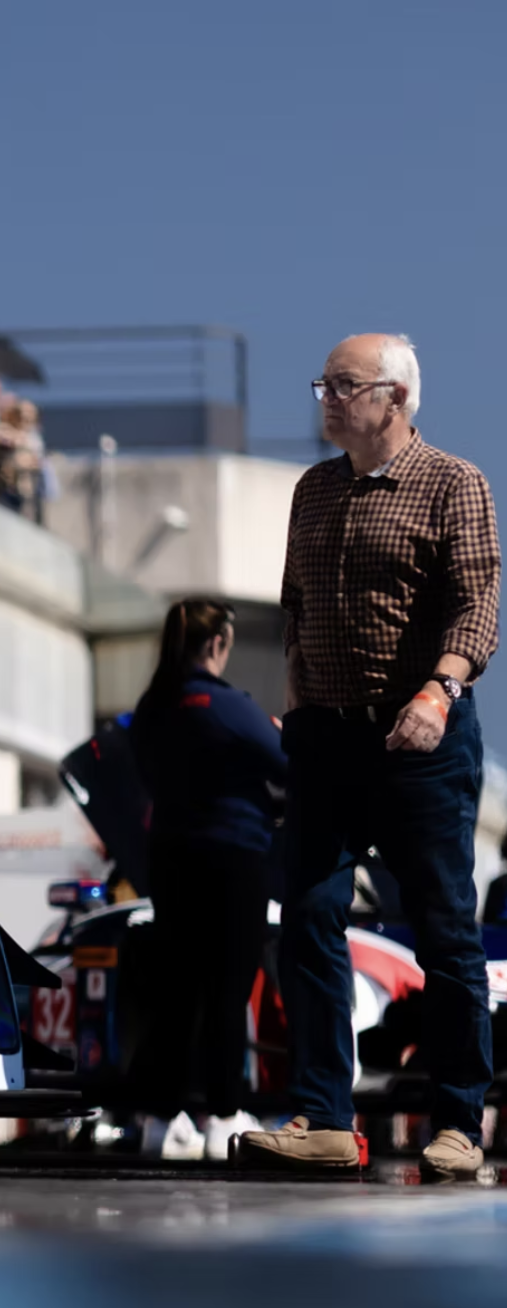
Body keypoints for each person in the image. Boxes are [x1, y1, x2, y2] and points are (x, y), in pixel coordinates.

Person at [240, 334, 496, 1179]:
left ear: (396, 398)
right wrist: (298, 701)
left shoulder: (453, 483)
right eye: (323, 384)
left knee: (444, 931)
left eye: (344, 385)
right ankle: (324, 1118)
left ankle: (458, 1123)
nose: (326, 397)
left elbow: (476, 605)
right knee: (308, 916)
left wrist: (439, 692)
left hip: (421, 738)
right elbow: (296, 604)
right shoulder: (312, 490)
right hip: (326, 739)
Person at [125, 599, 286, 1162]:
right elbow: (288, 762)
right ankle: (224, 1116)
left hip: (170, 858)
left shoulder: (152, 709)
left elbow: (142, 772)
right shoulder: (229, 706)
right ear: (218, 643)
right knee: (227, 989)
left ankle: (159, 1120)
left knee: (175, 990)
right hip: (233, 859)